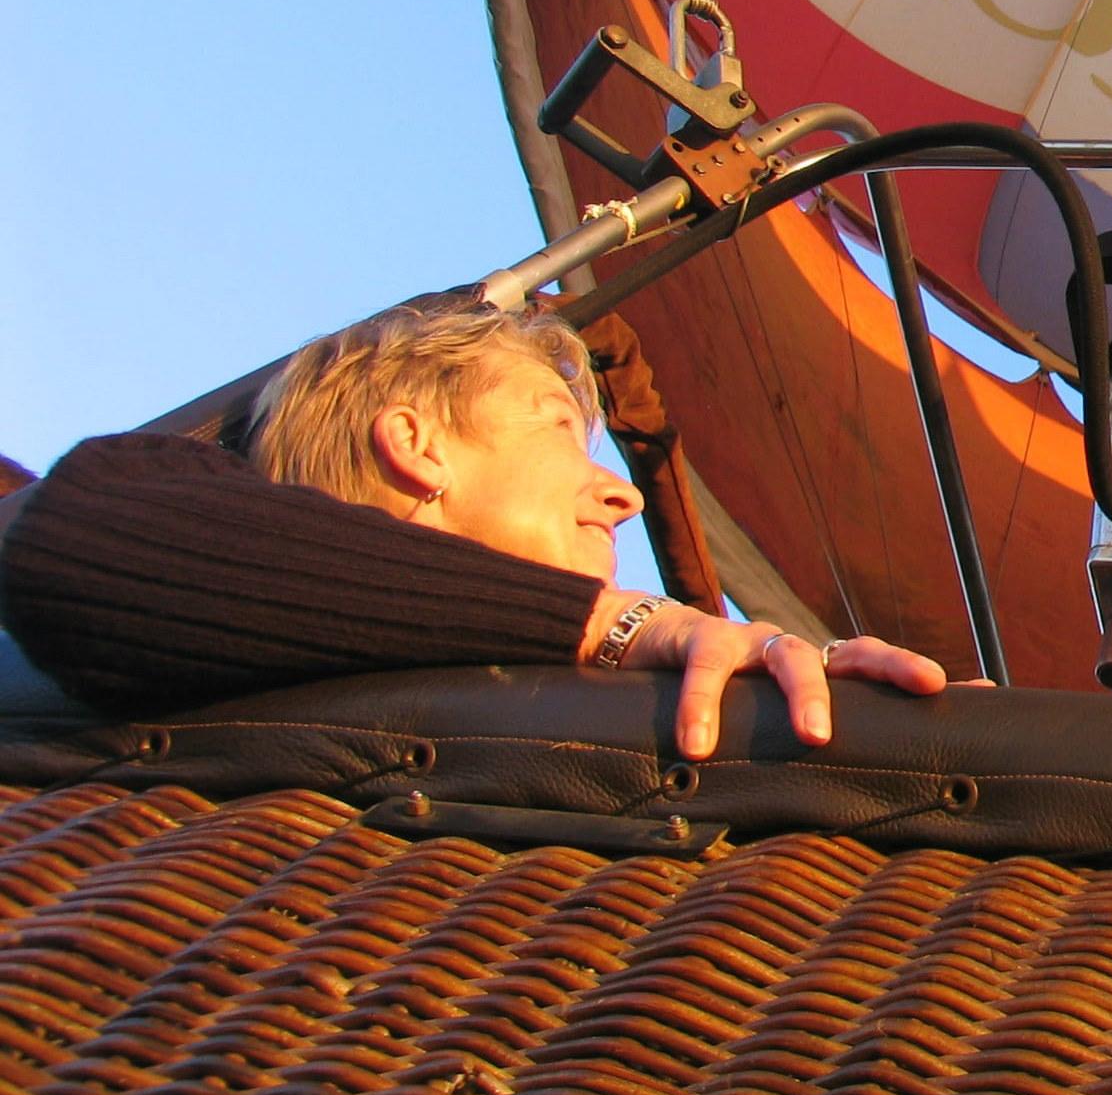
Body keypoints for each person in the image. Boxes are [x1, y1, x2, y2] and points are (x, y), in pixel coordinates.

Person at [1, 300, 944, 757]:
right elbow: (86, 537)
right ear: (416, 446)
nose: (620, 496)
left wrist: (903, 731)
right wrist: (614, 621)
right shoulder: (171, 605)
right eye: (557, 431)